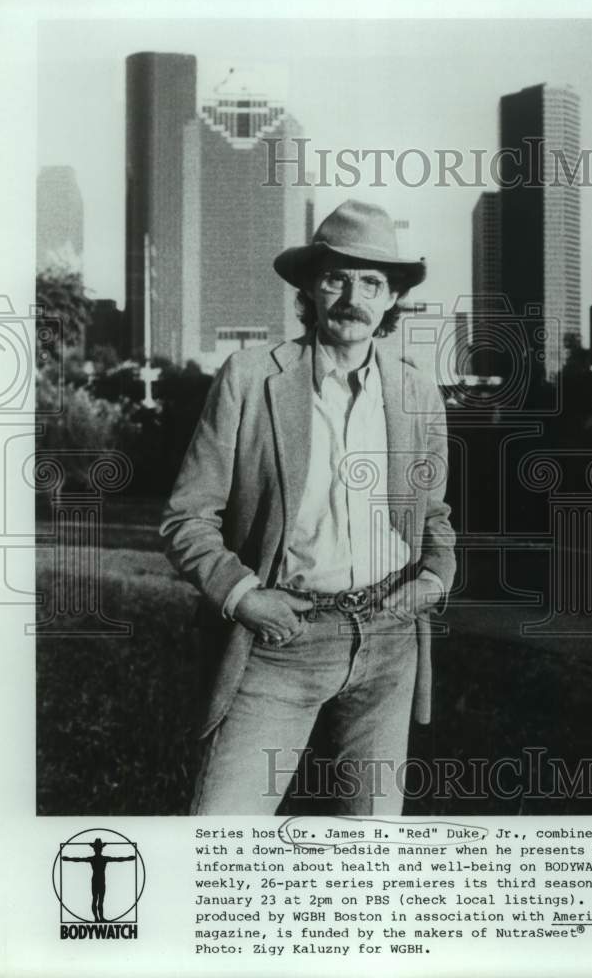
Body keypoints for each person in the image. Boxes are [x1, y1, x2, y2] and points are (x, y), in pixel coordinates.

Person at [160, 200, 456, 814]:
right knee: (218, 839)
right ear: (310, 289)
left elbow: (434, 514)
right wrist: (245, 598)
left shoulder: (417, 392)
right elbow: (187, 516)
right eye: (336, 278)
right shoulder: (249, 377)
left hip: (389, 639)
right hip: (279, 642)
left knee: (370, 859)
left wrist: (433, 578)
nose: (354, 296)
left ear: (393, 298)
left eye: (372, 282)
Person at [61, 838, 135, 921]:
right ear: (100, 849)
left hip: (98, 880)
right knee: (97, 900)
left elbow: (118, 859)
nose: (99, 849)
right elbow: (118, 859)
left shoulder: (95, 858)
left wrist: (129, 858)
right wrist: (68, 859)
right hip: (98, 881)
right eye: (100, 848)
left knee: (97, 900)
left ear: (95, 849)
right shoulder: (102, 858)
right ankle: (98, 918)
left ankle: (99, 918)